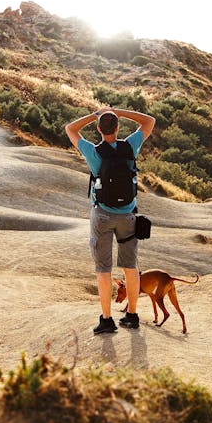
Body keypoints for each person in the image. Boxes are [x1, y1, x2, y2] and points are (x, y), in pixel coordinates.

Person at [65, 107, 155, 334]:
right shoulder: (130, 146)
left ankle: (107, 320)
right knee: (130, 266)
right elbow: (149, 121)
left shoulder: (92, 151)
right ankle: (132, 315)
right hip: (128, 215)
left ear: (98, 129)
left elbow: (70, 128)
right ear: (117, 128)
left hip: (102, 214)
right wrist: (120, 113)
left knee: (103, 270)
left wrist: (95, 115)